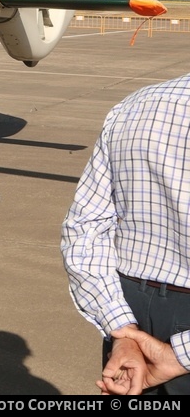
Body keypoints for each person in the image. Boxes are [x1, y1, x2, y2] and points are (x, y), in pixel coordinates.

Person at [61, 72, 190, 395]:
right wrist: (179, 354)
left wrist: (121, 329)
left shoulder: (136, 105)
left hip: (128, 304)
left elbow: (84, 228)